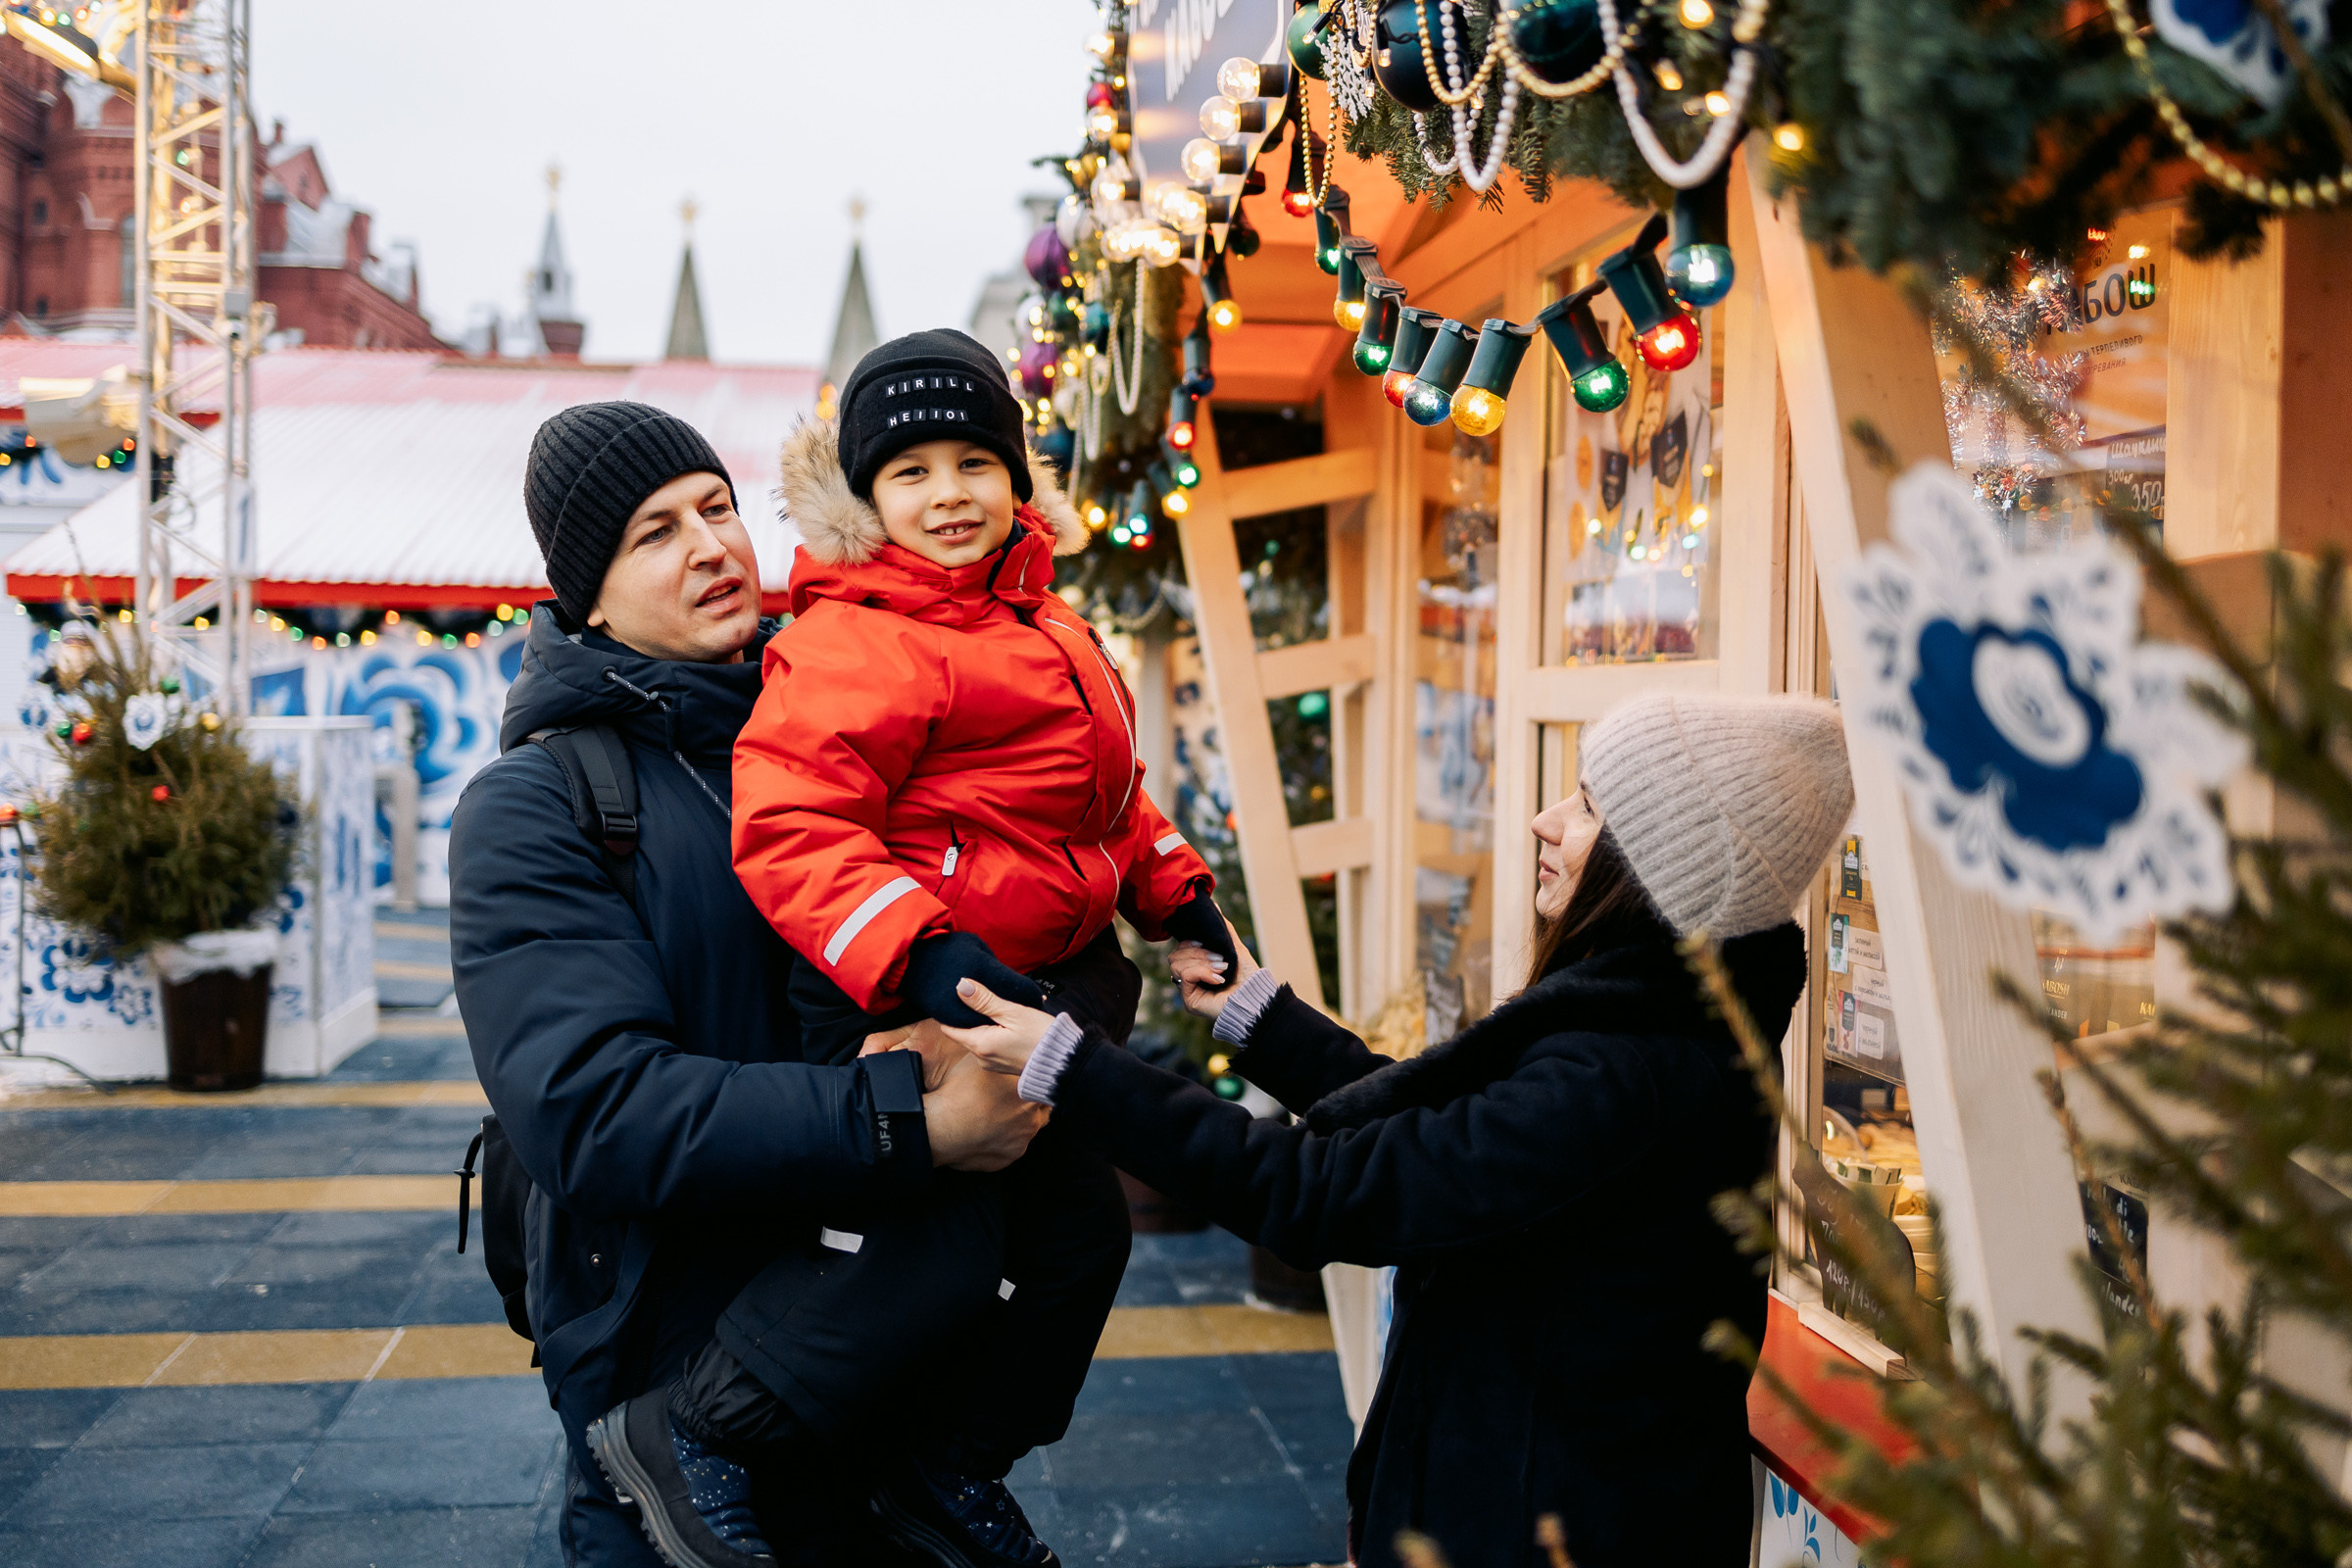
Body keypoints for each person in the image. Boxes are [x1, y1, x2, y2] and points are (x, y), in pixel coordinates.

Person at [924, 692, 1857, 1568]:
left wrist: (1073, 1066)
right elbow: (1442, 1133)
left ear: (1660, 868)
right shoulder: (1658, 1031)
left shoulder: (1623, 1074)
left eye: (1587, 809)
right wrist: (1262, 1017)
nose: (1546, 820)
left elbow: (1318, 1192)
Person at [584, 330, 1238, 1568]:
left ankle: (946, 1462)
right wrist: (923, 961)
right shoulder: (855, 636)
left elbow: (1098, 804)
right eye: (914, 472)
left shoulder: (1047, 621)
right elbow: (792, 831)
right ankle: (693, 1430)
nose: (950, 494)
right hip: (900, 985)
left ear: (1015, 475)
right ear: (867, 501)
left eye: (976, 462)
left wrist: (1178, 898)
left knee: (1083, 1241)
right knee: (924, 1256)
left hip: (1020, 998)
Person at [449, 402, 1134, 1568]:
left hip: (885, 1377)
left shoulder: (844, 721)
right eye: (654, 532)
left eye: (717, 507)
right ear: (589, 595)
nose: (713, 545)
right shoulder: (540, 806)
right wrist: (911, 1120)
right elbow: (591, 1110)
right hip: (682, 1398)